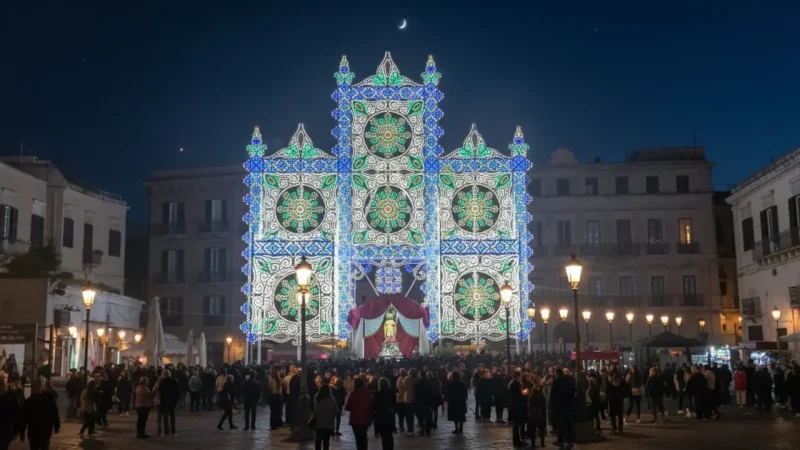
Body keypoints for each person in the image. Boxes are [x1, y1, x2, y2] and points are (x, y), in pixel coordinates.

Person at [19, 379, 60, 450]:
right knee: (41, 446)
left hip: (39, 430)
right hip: (40, 430)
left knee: (39, 446)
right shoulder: (31, 401)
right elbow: (23, 418)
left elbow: (54, 412)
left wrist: (57, 426)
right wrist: (56, 426)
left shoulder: (31, 400)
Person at [550, 368, 575, 448]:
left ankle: (561, 440)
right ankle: (568, 440)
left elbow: (552, 395)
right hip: (568, 405)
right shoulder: (569, 381)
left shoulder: (556, 382)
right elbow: (573, 392)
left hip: (559, 406)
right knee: (568, 422)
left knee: (560, 424)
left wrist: (552, 406)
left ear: (557, 374)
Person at [346, 377, 373, 450]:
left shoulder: (353, 394)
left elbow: (347, 407)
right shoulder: (367, 393)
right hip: (366, 419)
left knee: (358, 439)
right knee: (364, 437)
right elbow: (371, 405)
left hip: (355, 419)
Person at [312, 384, 339, 450]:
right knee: (326, 441)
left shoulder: (317, 397)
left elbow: (315, 409)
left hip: (318, 423)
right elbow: (335, 409)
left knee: (318, 440)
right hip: (328, 424)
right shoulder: (331, 398)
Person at [373, 378, 396, 450]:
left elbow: (374, 405)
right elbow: (394, 405)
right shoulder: (391, 393)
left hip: (381, 417)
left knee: (384, 436)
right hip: (389, 416)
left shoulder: (377, 394)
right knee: (389, 435)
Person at [157, 369, 180, 436]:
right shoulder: (173, 381)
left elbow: (159, 393)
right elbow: (178, 392)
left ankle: (166, 431)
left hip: (164, 403)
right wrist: (175, 401)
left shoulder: (162, 382)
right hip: (172, 402)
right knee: (172, 417)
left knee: (165, 417)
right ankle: (173, 431)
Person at [0, 379, 21, 450]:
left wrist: (16, 431)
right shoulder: (11, 398)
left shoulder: (11, 398)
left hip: (6, 430)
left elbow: (17, 415)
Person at [527, 377, 547, 449]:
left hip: (536, 411)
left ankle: (536, 443)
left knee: (536, 428)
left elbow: (530, 401)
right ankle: (540, 443)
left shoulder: (534, 390)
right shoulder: (536, 390)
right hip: (537, 412)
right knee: (539, 428)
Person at [508, 369, 526, 447]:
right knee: (516, 425)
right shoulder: (515, 384)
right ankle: (516, 442)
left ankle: (518, 440)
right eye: (520, 376)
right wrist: (525, 391)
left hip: (518, 406)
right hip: (516, 407)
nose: (521, 378)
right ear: (517, 377)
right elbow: (521, 393)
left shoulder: (516, 383)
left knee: (517, 424)